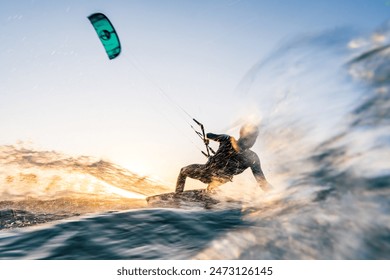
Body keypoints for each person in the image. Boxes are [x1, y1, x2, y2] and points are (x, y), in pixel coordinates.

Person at [175, 123, 271, 193]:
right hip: (206, 172)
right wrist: (206, 138)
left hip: (217, 178)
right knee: (183, 171)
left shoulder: (252, 158)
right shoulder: (227, 139)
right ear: (241, 133)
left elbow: (262, 183)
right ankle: (178, 196)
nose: (252, 140)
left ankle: (208, 193)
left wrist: (278, 198)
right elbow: (208, 135)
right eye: (250, 136)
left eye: (254, 138)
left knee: (184, 171)